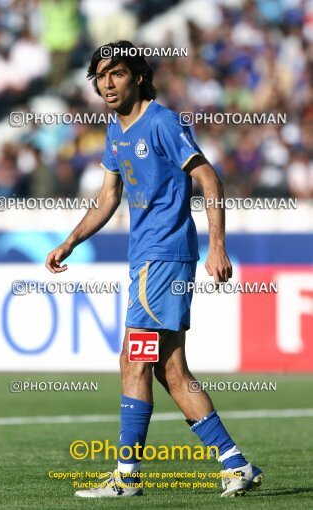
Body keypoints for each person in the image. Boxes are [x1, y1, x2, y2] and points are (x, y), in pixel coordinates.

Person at [45, 40, 263, 498]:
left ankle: (126, 477)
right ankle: (234, 463)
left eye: (117, 73)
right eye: (100, 76)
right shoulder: (114, 129)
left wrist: (217, 247)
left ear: (138, 76)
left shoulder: (161, 122)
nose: (107, 83)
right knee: (169, 369)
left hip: (162, 259)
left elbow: (209, 178)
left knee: (133, 360)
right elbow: (108, 198)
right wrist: (69, 241)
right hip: (149, 260)